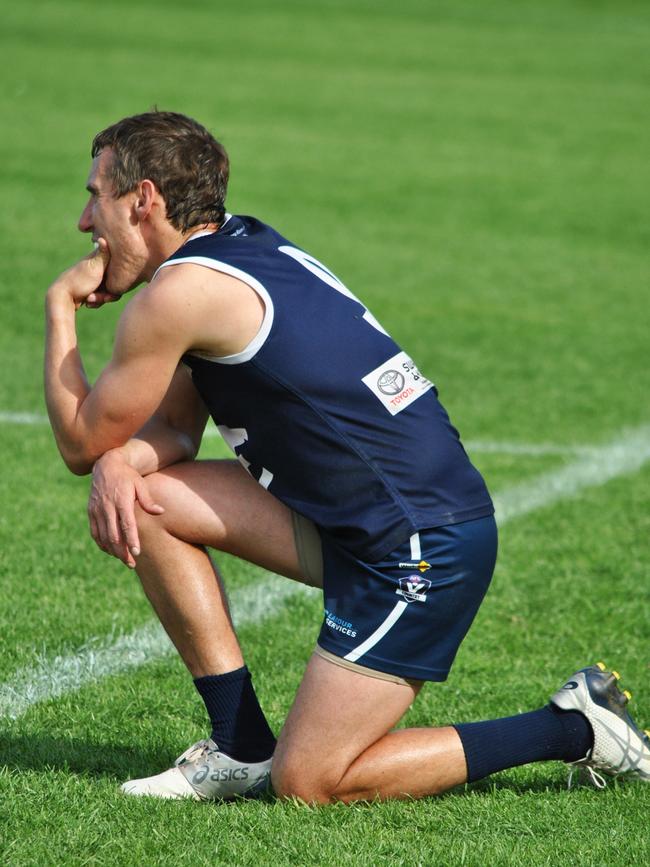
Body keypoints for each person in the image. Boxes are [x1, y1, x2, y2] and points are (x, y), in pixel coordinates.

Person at [44, 111, 649, 802]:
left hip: (420, 543)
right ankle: (240, 746)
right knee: (146, 497)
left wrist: (60, 306)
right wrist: (126, 462)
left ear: (142, 199)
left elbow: (79, 442)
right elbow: (176, 434)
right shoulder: (237, 250)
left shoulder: (178, 295)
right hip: (368, 521)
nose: (85, 221)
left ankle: (572, 728)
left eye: (96, 195)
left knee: (310, 782)